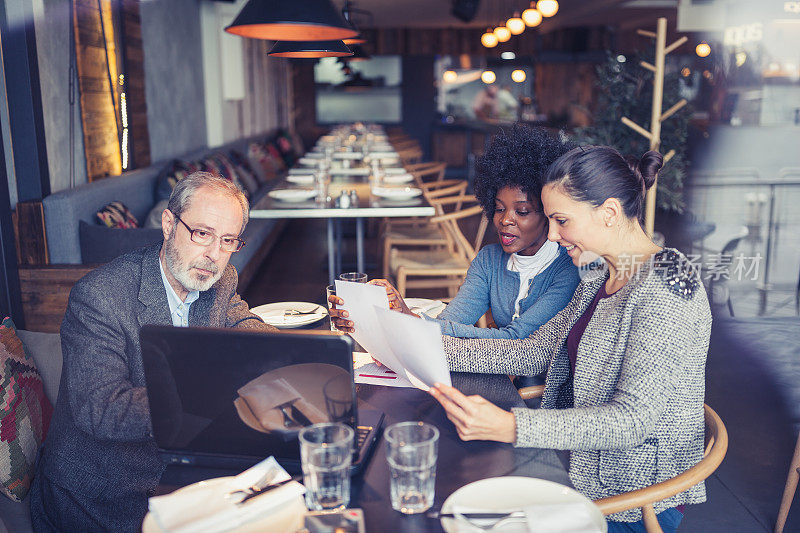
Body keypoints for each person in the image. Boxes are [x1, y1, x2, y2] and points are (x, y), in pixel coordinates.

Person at [428, 147, 711, 533]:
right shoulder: (599, 276)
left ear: (609, 213)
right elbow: (530, 354)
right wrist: (425, 344)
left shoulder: (666, 286)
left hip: (631, 498)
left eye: (561, 220)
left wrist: (511, 427)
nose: (554, 234)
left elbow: (632, 421)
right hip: (575, 468)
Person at [29, 172, 278, 532]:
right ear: (168, 224)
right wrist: (209, 394)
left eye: (227, 241)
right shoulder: (100, 297)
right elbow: (101, 411)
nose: (213, 254)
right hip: (102, 498)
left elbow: (244, 324)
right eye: (202, 234)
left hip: (185, 464)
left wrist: (290, 356)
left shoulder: (217, 278)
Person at [331, 125, 580, 340]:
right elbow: (453, 321)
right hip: (495, 373)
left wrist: (414, 321)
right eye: (499, 208)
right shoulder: (489, 260)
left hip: (540, 391)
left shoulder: (567, 270)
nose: (505, 220)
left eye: (522, 211)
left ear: (548, 212)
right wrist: (376, 314)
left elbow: (516, 338)